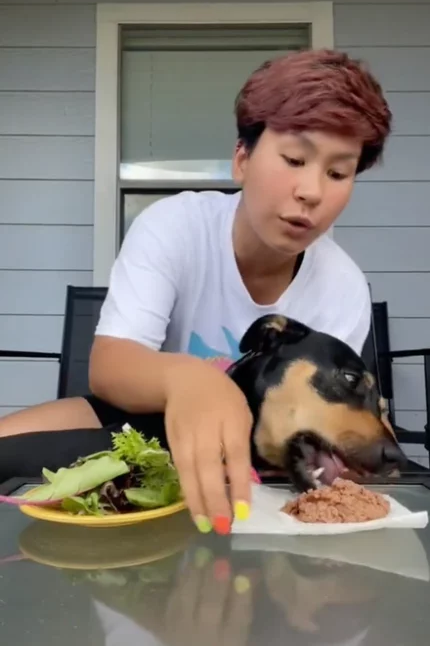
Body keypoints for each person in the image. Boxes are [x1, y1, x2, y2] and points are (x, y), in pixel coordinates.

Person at [0, 49, 392, 535]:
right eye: (294, 159)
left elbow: (319, 429)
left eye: (338, 173)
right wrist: (193, 380)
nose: (312, 191)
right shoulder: (174, 226)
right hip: (142, 416)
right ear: (242, 159)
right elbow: (110, 365)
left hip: (258, 458)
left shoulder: (342, 286)